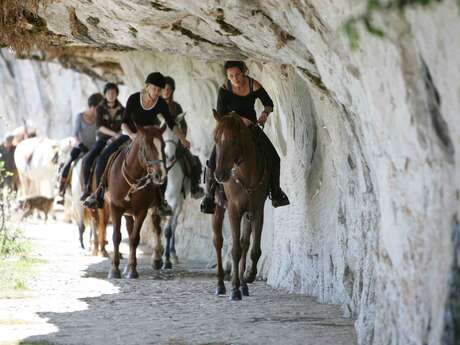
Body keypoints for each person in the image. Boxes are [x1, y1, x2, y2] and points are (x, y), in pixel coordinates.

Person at [83, 72, 191, 214]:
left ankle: (161, 201)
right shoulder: (134, 99)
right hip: (130, 134)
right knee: (104, 155)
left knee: (161, 165)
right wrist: (133, 135)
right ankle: (99, 192)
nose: (157, 92)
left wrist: (183, 138)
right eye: (154, 89)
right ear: (147, 87)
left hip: (150, 137)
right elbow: (124, 123)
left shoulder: (161, 103)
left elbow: (171, 123)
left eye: (160, 90)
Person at [200, 60, 290, 214]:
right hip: (230, 129)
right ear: (227, 77)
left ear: (243, 73)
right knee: (212, 160)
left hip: (251, 128)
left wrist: (264, 114)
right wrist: (241, 119)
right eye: (231, 76)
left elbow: (269, 103)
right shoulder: (224, 89)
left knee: (274, 158)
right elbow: (222, 115)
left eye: (237, 75)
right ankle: (209, 197)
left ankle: (276, 193)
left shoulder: (254, 85)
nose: (235, 78)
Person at [80, 83, 124, 201]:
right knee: (89, 158)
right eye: (109, 92)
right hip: (103, 139)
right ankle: (87, 189)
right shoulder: (100, 108)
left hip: (118, 140)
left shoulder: (122, 109)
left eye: (113, 92)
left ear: (117, 94)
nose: (111, 95)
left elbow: (124, 125)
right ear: (105, 94)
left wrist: (119, 135)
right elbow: (99, 127)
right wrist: (114, 134)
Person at [57, 93, 103, 202]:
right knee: (68, 163)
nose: (99, 110)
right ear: (92, 107)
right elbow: (75, 134)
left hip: (94, 147)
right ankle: (61, 191)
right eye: (98, 108)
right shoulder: (80, 116)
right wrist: (81, 145)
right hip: (80, 147)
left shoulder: (99, 119)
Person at [162, 76, 204, 199]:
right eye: (164, 89)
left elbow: (183, 126)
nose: (166, 91)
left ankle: (194, 188)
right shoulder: (156, 105)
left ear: (172, 90)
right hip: (160, 142)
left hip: (175, 141)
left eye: (169, 89)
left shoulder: (176, 107)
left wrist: (182, 138)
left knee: (194, 161)